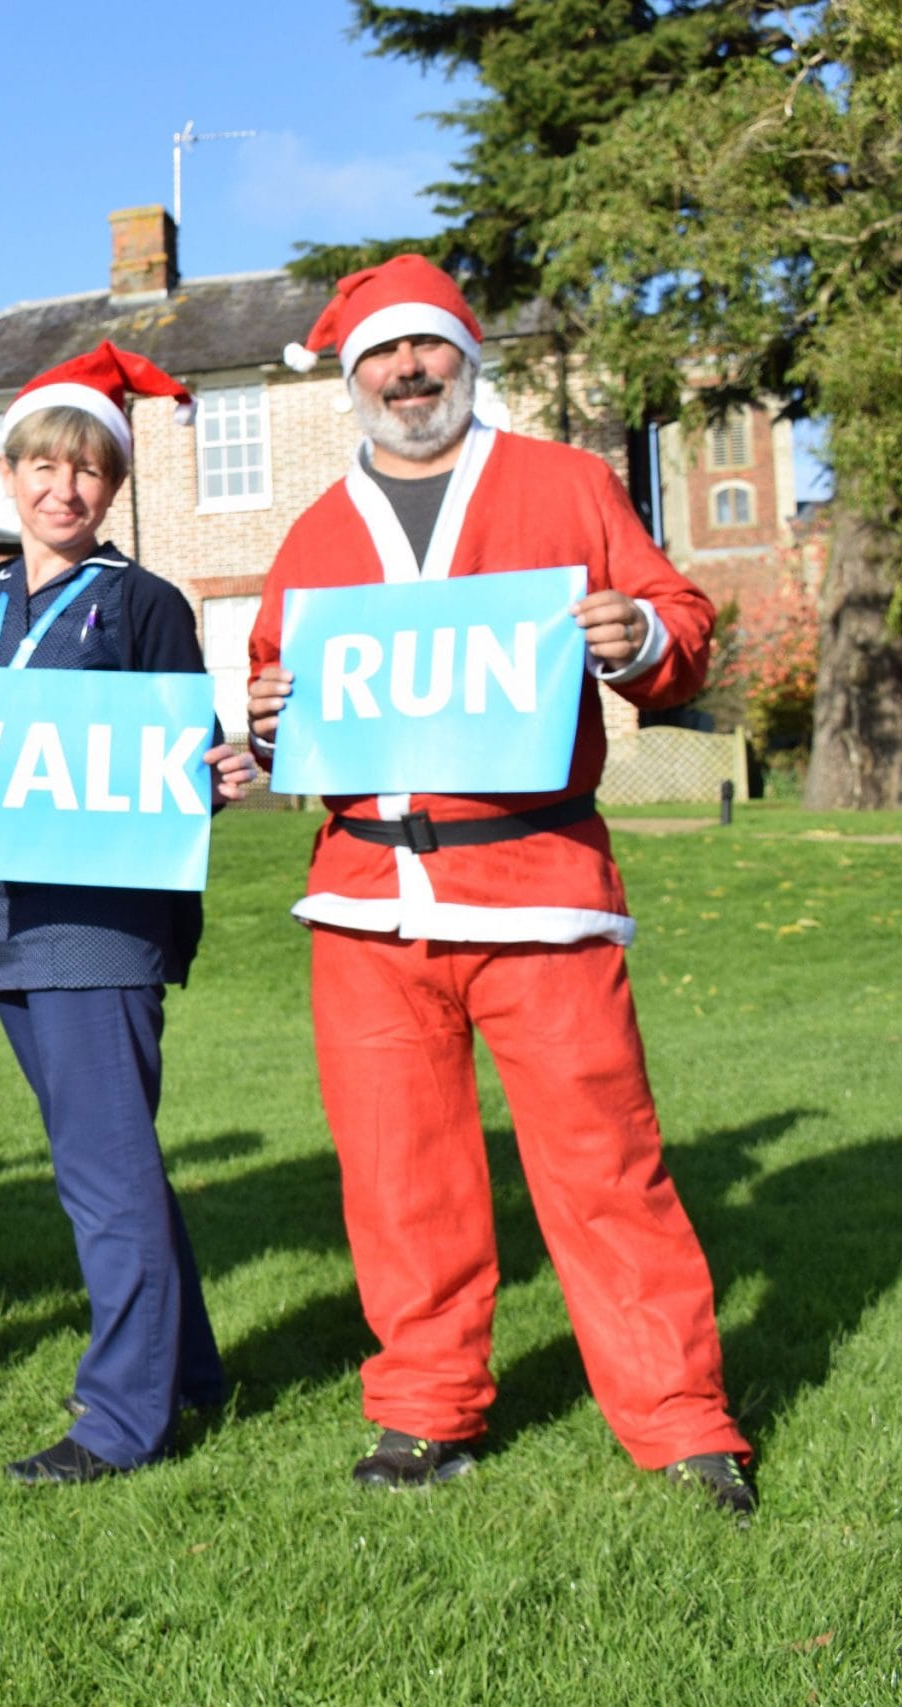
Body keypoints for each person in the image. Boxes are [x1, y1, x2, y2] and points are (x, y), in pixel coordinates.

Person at [249, 255, 753, 1514]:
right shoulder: (314, 531)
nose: (404, 374)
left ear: (464, 359)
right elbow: (275, 696)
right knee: (396, 1173)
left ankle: (680, 1419)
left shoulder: (566, 484)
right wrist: (261, 719)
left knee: (604, 1164)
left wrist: (639, 639)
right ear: (352, 379)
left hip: (537, 887)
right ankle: (425, 1409)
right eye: (379, 356)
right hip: (367, 900)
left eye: (424, 351)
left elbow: (678, 620)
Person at [0, 343, 259, 1483]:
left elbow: (182, 763)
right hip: (1, 914)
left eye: (84, 469)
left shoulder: (142, 603)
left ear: (111, 486)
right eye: (39, 465)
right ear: (10, 473)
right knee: (112, 1156)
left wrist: (215, 773)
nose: (60, 488)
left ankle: (121, 1422)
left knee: (102, 1169)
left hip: (102, 920)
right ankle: (186, 1376)